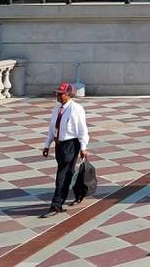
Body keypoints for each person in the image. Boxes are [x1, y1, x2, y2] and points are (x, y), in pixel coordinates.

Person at [39, 82, 89, 218]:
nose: (58, 96)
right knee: (68, 172)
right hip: (59, 145)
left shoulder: (76, 109)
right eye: (57, 93)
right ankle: (80, 192)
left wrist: (83, 147)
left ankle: (56, 204)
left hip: (71, 144)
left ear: (69, 94)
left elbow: (82, 129)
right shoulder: (57, 108)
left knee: (62, 174)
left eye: (61, 94)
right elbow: (52, 127)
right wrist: (47, 144)